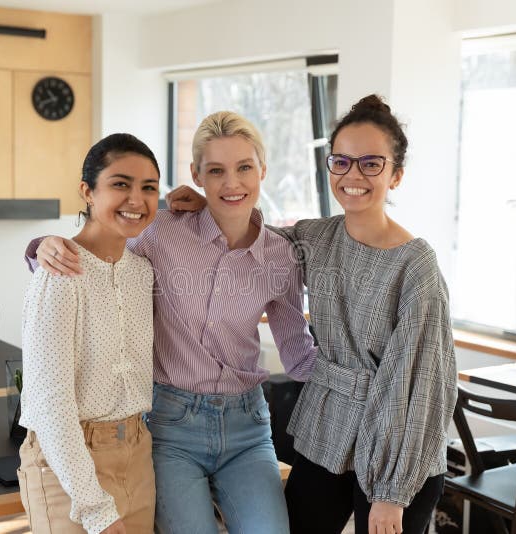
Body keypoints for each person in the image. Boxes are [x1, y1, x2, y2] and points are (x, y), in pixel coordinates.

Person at [167, 95, 457, 534]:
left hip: (398, 449)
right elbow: (245, 234)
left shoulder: (416, 267)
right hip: (330, 432)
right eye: (341, 162)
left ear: (395, 175)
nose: (353, 175)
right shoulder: (314, 238)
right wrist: (202, 203)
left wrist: (391, 494)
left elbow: (425, 391)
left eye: (371, 164)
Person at [28, 111, 317, 534]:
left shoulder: (280, 256)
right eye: (216, 170)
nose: (231, 183)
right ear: (196, 175)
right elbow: (101, 244)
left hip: (248, 427)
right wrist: (42, 247)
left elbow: (298, 356)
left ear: (263, 171)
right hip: (170, 425)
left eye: (244, 168)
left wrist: (369, 383)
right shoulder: (161, 231)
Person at [19, 133, 160, 534]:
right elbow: (50, 403)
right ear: (87, 192)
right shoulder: (60, 273)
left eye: (149, 188)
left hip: (137, 453)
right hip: (67, 462)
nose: (137, 200)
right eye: (120, 184)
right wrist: (94, 506)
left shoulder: (142, 271)